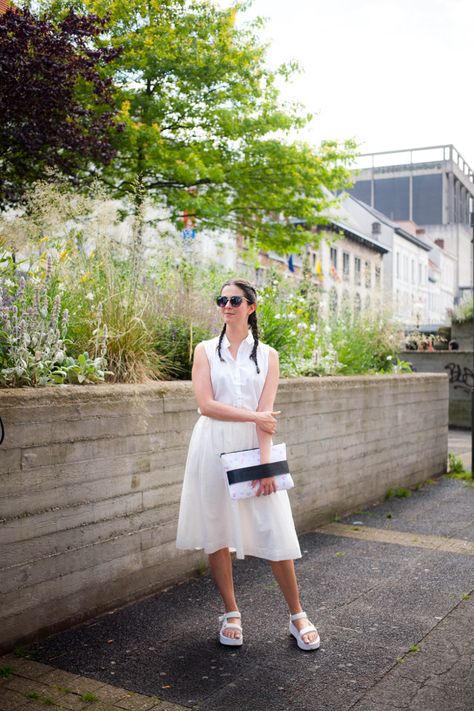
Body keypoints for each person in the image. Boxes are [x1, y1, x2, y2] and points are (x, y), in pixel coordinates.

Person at [176, 278, 320, 651]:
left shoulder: (268, 355)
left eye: (235, 300)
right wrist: (255, 418)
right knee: (217, 528)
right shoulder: (205, 350)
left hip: (253, 447)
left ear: (251, 307)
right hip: (211, 443)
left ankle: (297, 614)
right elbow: (206, 405)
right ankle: (231, 611)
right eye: (221, 299)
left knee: (276, 529)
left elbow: (267, 415)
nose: (226, 305)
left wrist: (267, 463)